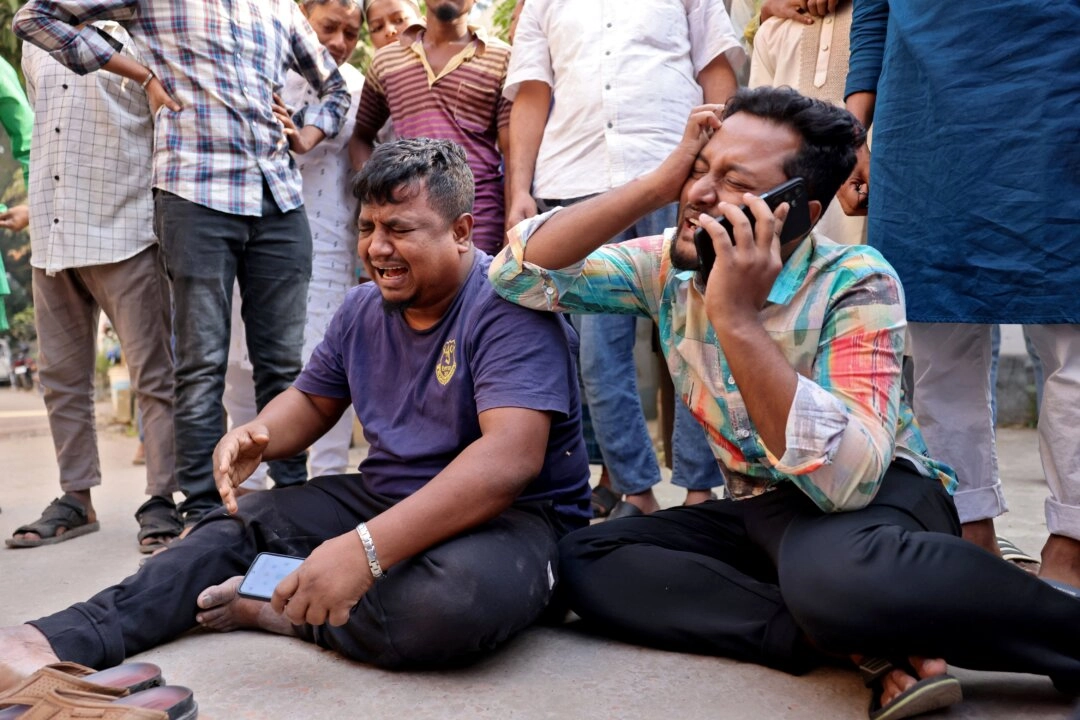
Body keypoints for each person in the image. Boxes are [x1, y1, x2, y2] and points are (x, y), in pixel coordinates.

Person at [489, 86, 1080, 718]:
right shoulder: (669, 265)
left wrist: (737, 320)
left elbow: (847, 481)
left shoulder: (857, 279)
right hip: (759, 511)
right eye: (699, 169)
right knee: (589, 556)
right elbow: (520, 274)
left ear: (797, 211)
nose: (700, 194)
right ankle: (853, 642)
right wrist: (658, 185)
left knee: (838, 575)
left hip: (882, 501)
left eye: (733, 182)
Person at [0, 138, 591, 689]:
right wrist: (260, 434)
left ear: (462, 231)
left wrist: (364, 549)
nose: (377, 248)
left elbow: (507, 462)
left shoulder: (509, 303)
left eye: (400, 229)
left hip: (515, 520)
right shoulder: (362, 307)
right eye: (367, 228)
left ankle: (277, 609)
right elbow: (312, 399)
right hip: (389, 496)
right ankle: (56, 637)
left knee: (449, 604)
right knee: (234, 527)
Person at [14, 0, 352, 529]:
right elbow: (36, 18)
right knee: (200, 366)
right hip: (195, 194)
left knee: (284, 370)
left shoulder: (280, 9)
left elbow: (335, 87)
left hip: (279, 200)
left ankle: (289, 503)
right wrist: (142, 72)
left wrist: (308, 133)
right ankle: (204, 510)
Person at [841, 0, 1080, 586]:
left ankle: (1072, 543)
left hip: (1060, 99)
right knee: (937, 343)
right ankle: (966, 526)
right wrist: (851, 133)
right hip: (924, 119)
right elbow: (874, 10)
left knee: (1074, 340)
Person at [503, 0, 743, 517]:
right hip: (577, 186)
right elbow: (532, 94)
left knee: (697, 333)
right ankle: (637, 491)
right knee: (597, 356)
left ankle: (701, 493)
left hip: (676, 177)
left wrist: (722, 172)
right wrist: (518, 188)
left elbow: (716, 73)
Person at [3, 23, 179, 553]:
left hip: (125, 230)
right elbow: (52, 138)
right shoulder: (35, 39)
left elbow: (161, 131)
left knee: (154, 375)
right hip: (55, 233)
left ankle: (160, 500)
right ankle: (75, 497)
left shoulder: (139, 34)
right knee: (59, 379)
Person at [223, 0, 366, 487]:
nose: (340, 43)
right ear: (300, 17)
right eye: (330, 27)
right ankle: (247, 487)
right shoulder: (256, 72)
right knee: (242, 369)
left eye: (352, 33)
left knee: (327, 372)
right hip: (251, 242)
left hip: (328, 249)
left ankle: (326, 481)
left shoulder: (357, 89)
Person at [349, 0, 512, 255]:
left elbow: (513, 155)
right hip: (405, 222)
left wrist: (511, 232)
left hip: (479, 220)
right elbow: (361, 136)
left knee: (478, 293)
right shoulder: (386, 61)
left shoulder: (502, 58)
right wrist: (378, 191)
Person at [748, 0, 865, 246]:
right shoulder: (773, 28)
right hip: (790, 212)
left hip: (868, 189)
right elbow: (757, 131)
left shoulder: (881, 22)